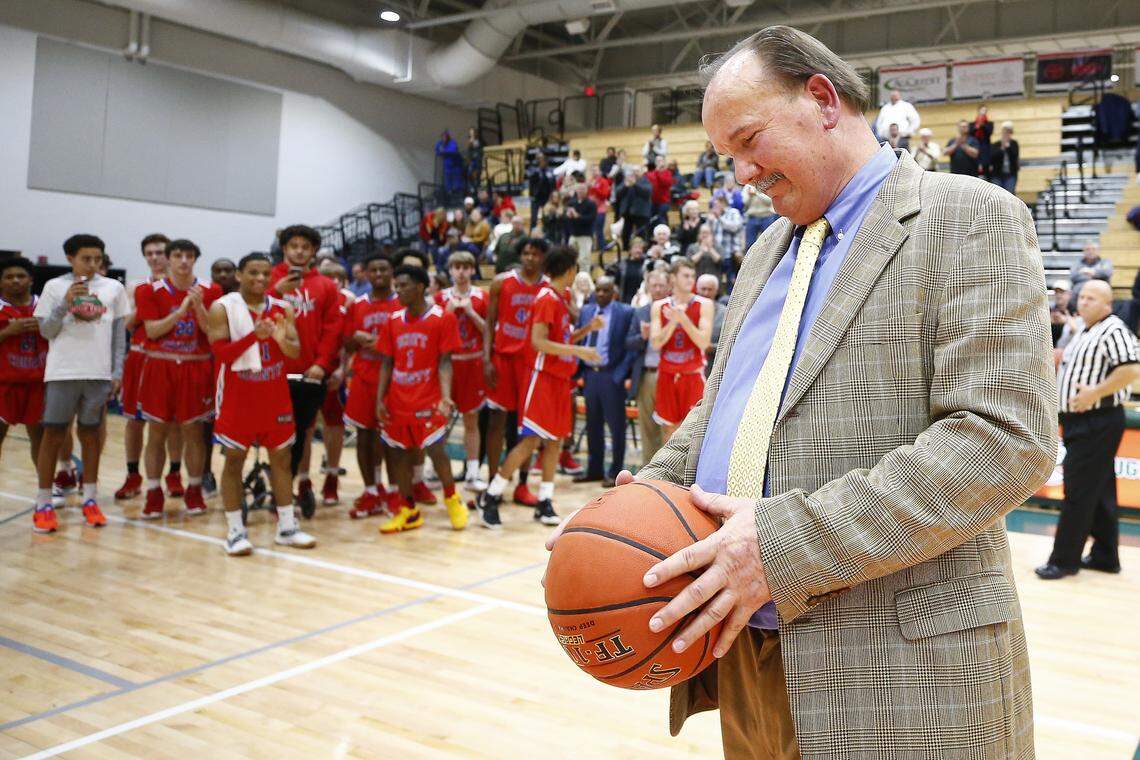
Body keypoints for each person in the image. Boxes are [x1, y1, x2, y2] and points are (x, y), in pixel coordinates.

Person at [550, 25, 1056, 758]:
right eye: (728, 157)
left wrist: (783, 547)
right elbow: (720, 410)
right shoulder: (764, 250)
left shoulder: (966, 215)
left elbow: (1005, 439)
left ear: (822, 99)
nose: (742, 174)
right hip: (743, 656)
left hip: (899, 668)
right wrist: (630, 508)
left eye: (750, 140)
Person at [477, 246, 600, 529]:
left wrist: (585, 331)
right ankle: (491, 496)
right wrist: (580, 351)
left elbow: (560, 338)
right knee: (530, 442)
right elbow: (538, 342)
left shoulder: (561, 297)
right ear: (569, 270)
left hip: (559, 379)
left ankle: (545, 501)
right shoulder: (546, 298)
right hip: (542, 379)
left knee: (555, 442)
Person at [207, 253, 315, 555]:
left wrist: (281, 340)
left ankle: (287, 527)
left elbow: (295, 354)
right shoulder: (222, 308)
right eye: (253, 272)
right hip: (237, 397)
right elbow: (222, 355)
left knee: (281, 460)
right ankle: (235, 532)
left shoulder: (283, 308)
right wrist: (253, 337)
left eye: (266, 273)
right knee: (234, 461)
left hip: (274, 396)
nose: (261, 279)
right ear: (239, 275)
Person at [1038, 279, 1139, 579]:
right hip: (1081, 420)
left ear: (1108, 304)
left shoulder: (1114, 329)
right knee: (1101, 490)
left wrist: (1094, 393)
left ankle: (1063, 560)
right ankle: (1105, 555)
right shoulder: (1085, 328)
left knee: (1078, 491)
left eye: (1092, 299)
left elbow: (1132, 368)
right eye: (1082, 297)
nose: (1083, 302)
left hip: (1097, 419)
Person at [32, 234, 129, 533]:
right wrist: (64, 304)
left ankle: (90, 498)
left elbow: (117, 335)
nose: (92, 264)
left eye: (97, 259)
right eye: (86, 258)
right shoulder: (54, 287)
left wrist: (117, 372)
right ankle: (44, 503)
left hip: (97, 374)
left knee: (91, 436)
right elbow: (46, 331)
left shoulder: (113, 288)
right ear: (71, 258)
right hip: (62, 372)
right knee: (53, 435)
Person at [375, 265, 468, 533]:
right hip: (398, 399)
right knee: (398, 454)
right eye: (397, 286)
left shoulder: (442, 318)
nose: (398, 291)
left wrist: (446, 396)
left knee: (437, 450)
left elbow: (445, 362)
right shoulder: (393, 320)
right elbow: (386, 363)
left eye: (403, 285)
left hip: (428, 397)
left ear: (419, 287)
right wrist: (380, 398)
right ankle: (408, 510)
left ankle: (452, 498)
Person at [134, 239, 221, 518]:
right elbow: (153, 331)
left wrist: (198, 308)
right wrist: (182, 310)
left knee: (193, 431)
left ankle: (194, 489)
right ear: (169, 259)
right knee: (156, 431)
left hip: (195, 368)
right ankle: (153, 491)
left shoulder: (211, 290)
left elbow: (212, 333)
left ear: (195, 259)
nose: (184, 261)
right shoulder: (148, 290)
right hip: (161, 367)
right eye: (178, 255)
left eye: (189, 256)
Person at [268, 224, 344, 512]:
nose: (299, 251)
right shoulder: (269, 278)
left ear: (313, 252)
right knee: (274, 434)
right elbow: (256, 313)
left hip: (308, 373)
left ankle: (299, 483)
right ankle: (277, 486)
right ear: (285, 249)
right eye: (293, 246)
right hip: (271, 372)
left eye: (305, 247)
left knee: (304, 433)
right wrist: (276, 291)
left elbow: (332, 329)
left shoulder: (325, 286)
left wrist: (322, 364)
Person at [483, 238, 549, 508]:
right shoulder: (501, 282)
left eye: (534, 253)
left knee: (528, 427)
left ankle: (522, 484)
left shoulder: (548, 289)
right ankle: (491, 481)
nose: (529, 258)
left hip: (531, 366)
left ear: (543, 257)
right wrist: (486, 359)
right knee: (496, 421)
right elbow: (489, 323)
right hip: (504, 359)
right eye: (525, 253)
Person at [114, 233, 179, 502]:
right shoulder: (136, 286)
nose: (155, 257)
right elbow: (127, 323)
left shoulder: (182, 286)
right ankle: (132, 474)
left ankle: (174, 474)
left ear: (170, 255)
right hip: (141, 357)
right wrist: (146, 305)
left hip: (173, 359)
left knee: (174, 420)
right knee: (134, 420)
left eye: (160, 252)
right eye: (149, 253)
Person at [343, 254, 402, 518]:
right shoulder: (357, 305)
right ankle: (370, 491)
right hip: (364, 378)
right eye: (373, 270)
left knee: (391, 440)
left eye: (384, 269)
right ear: (366, 274)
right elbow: (345, 343)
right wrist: (355, 339)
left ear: (392, 273)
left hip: (394, 381)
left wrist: (379, 342)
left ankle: (393, 491)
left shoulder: (402, 303)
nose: (378, 274)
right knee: (364, 436)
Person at [435, 251, 488, 492]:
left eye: (466, 267)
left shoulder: (480, 296)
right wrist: (449, 309)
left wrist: (470, 312)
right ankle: (434, 471)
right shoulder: (439, 297)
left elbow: (489, 331)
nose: (461, 272)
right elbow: (433, 330)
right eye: (456, 267)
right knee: (439, 419)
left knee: (471, 420)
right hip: (448, 364)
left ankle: (473, 473)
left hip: (472, 363)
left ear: (472, 269)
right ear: (450, 270)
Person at [575, 276, 634, 487]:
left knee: (616, 427)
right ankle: (594, 469)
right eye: (598, 290)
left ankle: (615, 471)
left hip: (612, 375)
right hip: (590, 375)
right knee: (593, 425)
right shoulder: (586, 311)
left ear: (614, 293)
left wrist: (620, 375)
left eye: (606, 290)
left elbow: (629, 348)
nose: (601, 294)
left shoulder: (625, 312)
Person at [650, 259, 713, 441]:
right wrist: (673, 321)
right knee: (668, 430)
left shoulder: (704, 304)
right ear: (673, 278)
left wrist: (683, 318)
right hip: (667, 375)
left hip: (692, 375)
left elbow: (703, 342)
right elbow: (656, 343)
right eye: (685, 275)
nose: (690, 279)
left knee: (692, 434)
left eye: (692, 275)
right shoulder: (659, 306)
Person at [0, 258, 47, 468]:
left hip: (39, 382)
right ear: (1, 282)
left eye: (21, 276)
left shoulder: (45, 306)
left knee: (40, 438)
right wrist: (8, 332)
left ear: (31, 280)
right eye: (9, 277)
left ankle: (46, 489)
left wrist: (46, 328)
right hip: (4, 383)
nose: (15, 281)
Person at [625, 269, 670, 465]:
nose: (658, 289)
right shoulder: (640, 312)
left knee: (668, 429)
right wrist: (642, 338)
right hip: (647, 375)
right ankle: (647, 478)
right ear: (648, 287)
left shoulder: (675, 311)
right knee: (647, 429)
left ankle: (667, 477)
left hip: (670, 375)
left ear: (668, 286)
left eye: (661, 285)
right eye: (654, 286)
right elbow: (628, 342)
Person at [565, 182, 598, 274]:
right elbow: (566, 219)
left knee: (584, 260)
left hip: (585, 236)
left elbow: (591, 219)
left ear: (587, 190)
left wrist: (577, 216)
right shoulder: (571, 203)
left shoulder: (591, 204)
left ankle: (584, 277)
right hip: (573, 234)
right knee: (570, 259)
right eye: (579, 189)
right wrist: (568, 216)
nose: (580, 191)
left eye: (583, 189)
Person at [616, 168, 653, 250]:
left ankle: (643, 250)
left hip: (641, 213)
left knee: (642, 233)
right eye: (634, 171)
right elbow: (618, 193)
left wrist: (635, 184)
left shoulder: (645, 181)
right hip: (627, 213)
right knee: (625, 233)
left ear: (641, 172)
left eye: (637, 171)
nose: (635, 173)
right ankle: (626, 249)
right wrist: (625, 186)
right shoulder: (627, 181)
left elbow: (647, 192)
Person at [696, 273, 726, 368]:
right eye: (703, 289)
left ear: (716, 291)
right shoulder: (686, 310)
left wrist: (711, 348)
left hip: (713, 368)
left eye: (710, 289)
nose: (706, 293)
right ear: (697, 290)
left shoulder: (725, 313)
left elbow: (729, 344)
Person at [742, 185, 778, 251]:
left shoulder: (766, 183)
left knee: (769, 243)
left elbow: (769, 201)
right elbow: (744, 203)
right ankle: (750, 261)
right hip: (752, 218)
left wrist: (756, 193)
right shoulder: (747, 187)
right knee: (749, 244)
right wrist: (749, 196)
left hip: (766, 217)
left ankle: (769, 261)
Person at [612, 236, 645, 304]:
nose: (638, 250)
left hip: (639, 301)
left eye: (640, 248)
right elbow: (616, 284)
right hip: (623, 301)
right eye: (636, 248)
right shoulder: (622, 264)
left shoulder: (645, 264)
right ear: (630, 250)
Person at [989, 121, 1019, 194]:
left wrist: (1008, 147)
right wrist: (1002, 148)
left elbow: (1014, 157)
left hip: (1010, 174)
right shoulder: (996, 144)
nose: (1006, 134)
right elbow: (992, 158)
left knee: (1010, 194)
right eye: (1005, 132)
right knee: (997, 195)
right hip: (997, 175)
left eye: (1008, 132)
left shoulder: (1014, 144)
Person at [587, 166, 612, 257]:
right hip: (590, 210)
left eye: (596, 170)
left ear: (599, 171)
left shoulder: (603, 181)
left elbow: (604, 195)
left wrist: (594, 188)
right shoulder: (589, 181)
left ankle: (602, 249)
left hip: (600, 209)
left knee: (599, 230)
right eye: (592, 170)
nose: (594, 172)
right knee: (591, 230)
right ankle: (592, 247)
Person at [528, 154, 555, 229]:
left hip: (546, 197)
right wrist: (531, 195)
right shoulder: (534, 171)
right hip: (536, 197)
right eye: (540, 161)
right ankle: (532, 232)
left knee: (546, 215)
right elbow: (531, 184)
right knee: (534, 217)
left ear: (546, 162)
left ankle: (546, 230)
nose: (542, 162)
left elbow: (553, 184)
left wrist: (552, 195)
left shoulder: (550, 171)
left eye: (543, 161)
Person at [646, 155, 674, 227]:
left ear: (664, 162)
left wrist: (658, 173)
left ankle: (665, 234)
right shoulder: (651, 173)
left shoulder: (668, 173)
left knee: (661, 218)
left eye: (661, 160)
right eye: (657, 161)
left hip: (664, 201)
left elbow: (665, 183)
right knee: (651, 219)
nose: (659, 162)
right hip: (653, 201)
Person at [435, 130, 464, 194]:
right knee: (447, 181)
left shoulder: (452, 142)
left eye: (446, 137)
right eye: (443, 137)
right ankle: (449, 192)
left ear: (448, 137)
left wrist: (444, 151)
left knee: (457, 181)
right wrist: (441, 151)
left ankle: (458, 192)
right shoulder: (440, 143)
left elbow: (453, 150)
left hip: (456, 165)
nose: (444, 138)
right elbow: (437, 151)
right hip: (447, 166)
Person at [971, 104, 994, 178]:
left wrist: (982, 125)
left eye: (985, 111)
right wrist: (977, 126)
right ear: (978, 111)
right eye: (982, 110)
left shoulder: (989, 124)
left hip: (985, 149)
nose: (983, 112)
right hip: (975, 148)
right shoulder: (972, 124)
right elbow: (971, 133)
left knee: (986, 172)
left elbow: (989, 132)